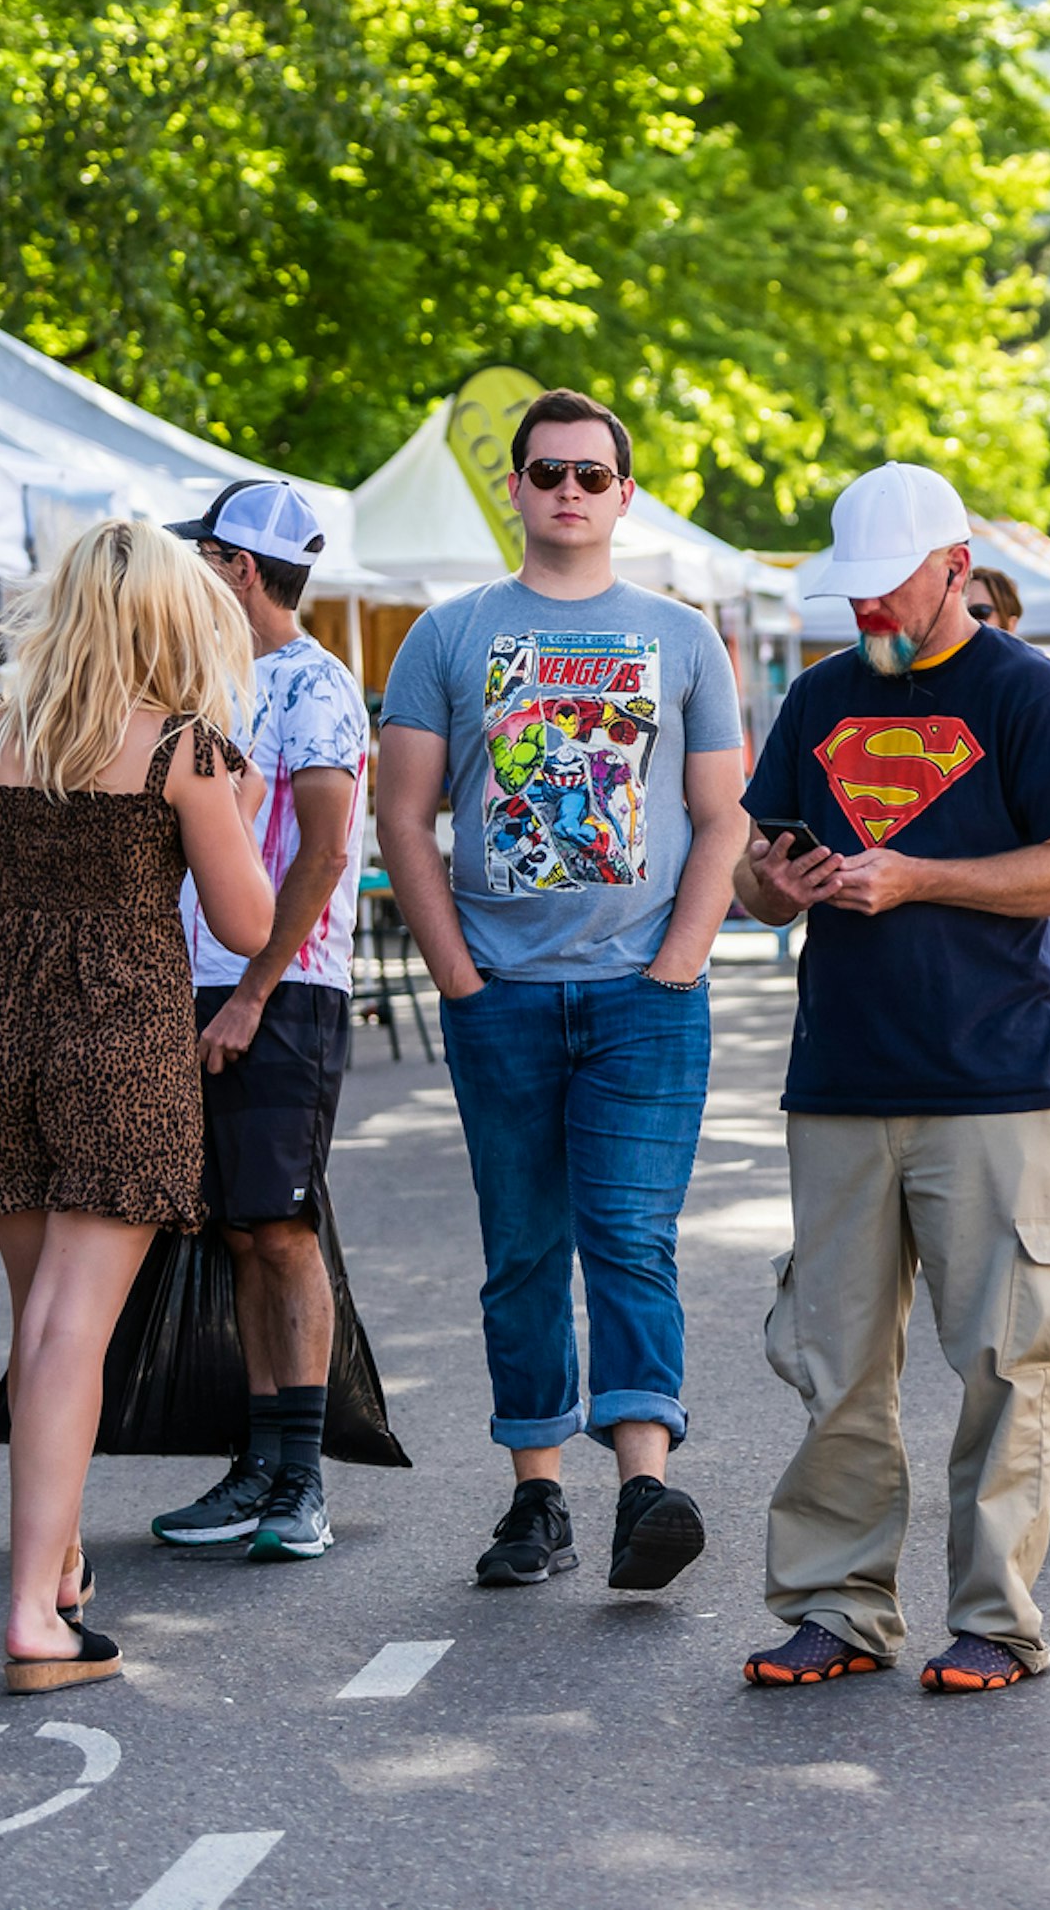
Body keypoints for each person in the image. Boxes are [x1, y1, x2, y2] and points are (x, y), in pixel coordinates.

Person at [731, 462, 1050, 1694]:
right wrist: (770, 887)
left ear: (954, 567)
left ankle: (997, 1619)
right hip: (839, 1074)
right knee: (836, 1363)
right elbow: (748, 869)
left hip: (991, 1081)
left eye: (883, 590)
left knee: (1007, 1361)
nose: (864, 617)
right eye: (849, 595)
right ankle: (838, 1609)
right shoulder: (818, 697)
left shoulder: (1028, 692)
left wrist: (917, 875)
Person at [378, 390, 742, 1598]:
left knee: (630, 1238)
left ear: (624, 494)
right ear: (518, 489)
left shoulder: (683, 637)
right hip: (505, 996)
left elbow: (719, 816)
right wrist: (460, 978)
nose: (570, 493)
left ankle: (644, 1481)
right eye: (548, 474)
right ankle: (537, 1495)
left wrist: (680, 959)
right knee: (523, 1250)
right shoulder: (449, 635)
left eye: (593, 475)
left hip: (645, 994)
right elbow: (404, 817)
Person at [0, 522, 275, 1691]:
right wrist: (240, 803)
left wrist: (22, 933)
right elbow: (250, 925)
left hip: (4, 1039)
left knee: (39, 1319)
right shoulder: (183, 752)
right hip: (123, 1045)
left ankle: (59, 1564)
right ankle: (32, 1614)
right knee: (77, 1328)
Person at [148, 481, 371, 1563]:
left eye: (201, 555)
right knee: (236, 1224)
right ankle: (261, 1460)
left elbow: (325, 853)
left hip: (282, 991)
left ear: (238, 568)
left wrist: (251, 991)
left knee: (281, 1226)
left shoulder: (314, 684)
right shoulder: (200, 683)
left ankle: (303, 1479)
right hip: (190, 982)